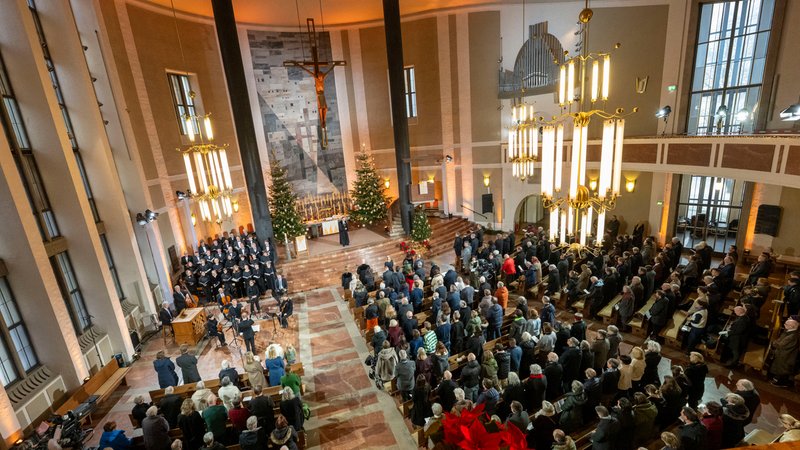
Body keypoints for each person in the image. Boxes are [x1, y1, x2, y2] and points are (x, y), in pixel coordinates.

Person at [769, 317, 799, 387]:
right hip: (782, 354)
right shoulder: (788, 332)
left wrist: (774, 343)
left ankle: (781, 383)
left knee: (783, 370)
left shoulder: (792, 335)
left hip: (786, 356)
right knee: (780, 369)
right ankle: (778, 380)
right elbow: (779, 340)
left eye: (786, 324)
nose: (784, 325)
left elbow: (780, 344)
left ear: (792, 326)